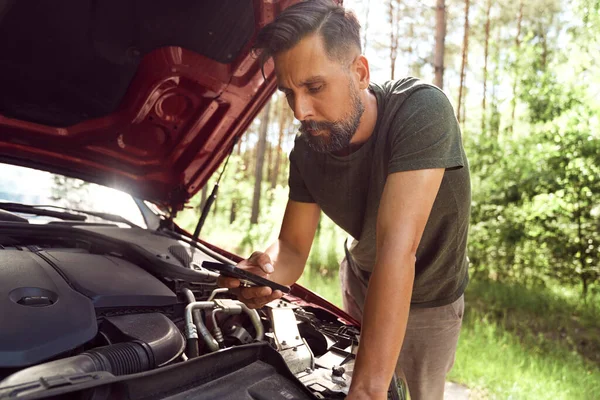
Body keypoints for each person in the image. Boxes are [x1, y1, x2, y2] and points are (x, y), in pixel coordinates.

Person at [217, 1, 471, 399]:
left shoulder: (422, 111)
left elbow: (397, 250)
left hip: (429, 298)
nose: (301, 111)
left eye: (314, 87)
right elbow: (292, 246)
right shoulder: (307, 147)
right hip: (359, 279)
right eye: (289, 93)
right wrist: (264, 275)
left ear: (360, 73)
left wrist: (367, 391)